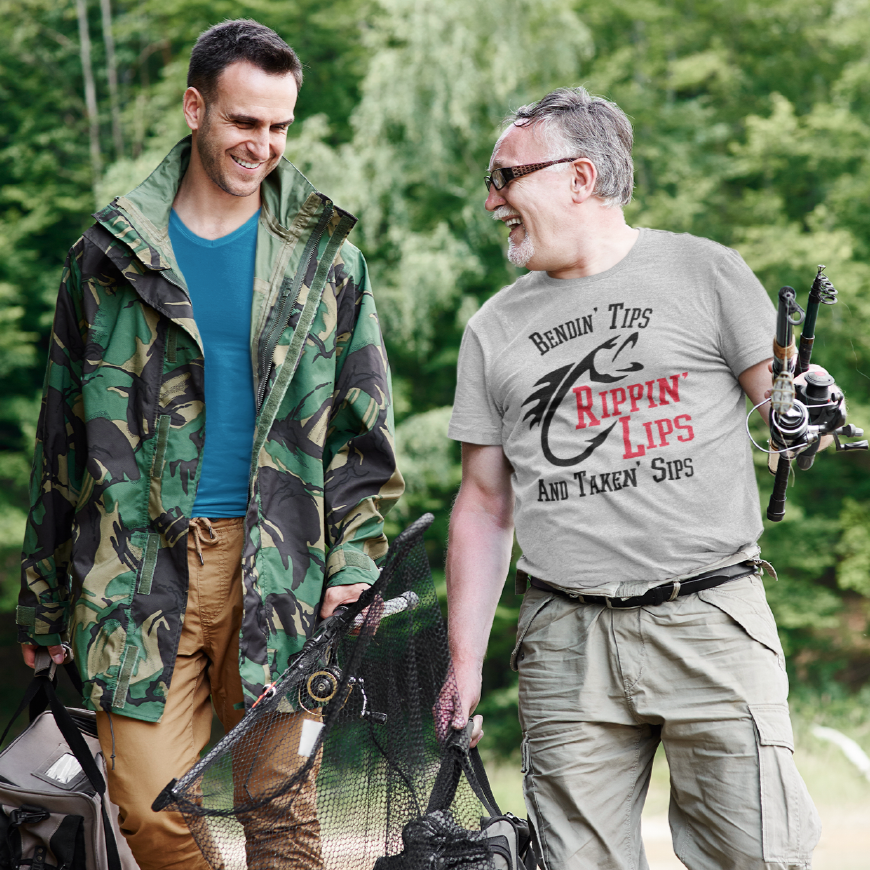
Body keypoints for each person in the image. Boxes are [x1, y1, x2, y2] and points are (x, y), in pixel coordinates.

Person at [17, 19, 403, 870]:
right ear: (196, 108)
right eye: (243, 122)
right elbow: (60, 443)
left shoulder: (325, 259)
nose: (262, 145)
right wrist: (42, 604)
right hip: (136, 573)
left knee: (280, 811)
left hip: (283, 568)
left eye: (279, 126)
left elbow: (362, 430)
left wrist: (353, 566)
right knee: (146, 809)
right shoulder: (108, 258)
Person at [441, 87, 821, 870]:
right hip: (564, 643)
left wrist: (812, 410)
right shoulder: (492, 330)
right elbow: (483, 504)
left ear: (578, 178)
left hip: (711, 620)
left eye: (505, 176)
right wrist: (464, 665)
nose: (491, 200)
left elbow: (788, 410)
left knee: (760, 857)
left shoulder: (705, 271)